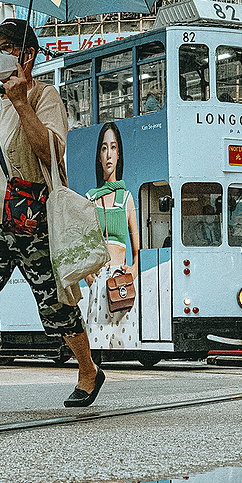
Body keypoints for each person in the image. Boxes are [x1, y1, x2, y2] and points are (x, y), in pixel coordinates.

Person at [0, 19, 104, 416]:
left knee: (54, 303)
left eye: (5, 46)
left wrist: (21, 101)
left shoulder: (45, 96)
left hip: (30, 221)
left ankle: (88, 370)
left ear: (27, 55)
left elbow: (51, 153)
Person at [86, 123, 141, 352]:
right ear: (99, 156)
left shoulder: (127, 198)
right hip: (99, 282)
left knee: (123, 350)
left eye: (113, 148)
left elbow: (138, 250)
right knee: (96, 351)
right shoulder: (90, 199)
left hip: (121, 282)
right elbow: (82, 246)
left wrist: (134, 270)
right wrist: (88, 274)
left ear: (119, 154)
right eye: (104, 148)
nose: (109, 154)